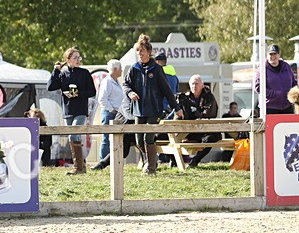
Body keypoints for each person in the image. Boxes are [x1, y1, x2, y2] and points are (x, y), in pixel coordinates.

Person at [122, 34, 182, 175]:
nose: (140, 54)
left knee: (148, 137)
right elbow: (125, 84)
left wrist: (177, 108)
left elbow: (167, 91)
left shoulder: (156, 69)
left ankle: (151, 168)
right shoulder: (134, 68)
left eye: (142, 51)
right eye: (138, 51)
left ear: (149, 52)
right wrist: (130, 92)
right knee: (138, 140)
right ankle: (148, 161)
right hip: (138, 110)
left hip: (154, 110)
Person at [46, 46, 96, 174]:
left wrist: (78, 94)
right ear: (68, 59)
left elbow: (92, 91)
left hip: (80, 110)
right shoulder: (63, 74)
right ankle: (80, 167)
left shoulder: (84, 73)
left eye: (79, 57)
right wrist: (55, 71)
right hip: (68, 110)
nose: (78, 60)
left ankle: (78, 167)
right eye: (75, 57)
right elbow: (50, 87)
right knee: (72, 137)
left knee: (74, 134)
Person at [177, 75, 219, 167]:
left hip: (205, 130)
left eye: (196, 84)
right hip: (188, 130)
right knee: (168, 137)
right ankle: (175, 161)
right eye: (192, 84)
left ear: (202, 85)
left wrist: (195, 112)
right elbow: (180, 115)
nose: (194, 86)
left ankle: (195, 160)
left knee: (210, 139)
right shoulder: (185, 97)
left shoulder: (209, 97)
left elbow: (209, 113)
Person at [92, 59, 127, 170]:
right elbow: (102, 98)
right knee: (106, 138)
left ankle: (109, 161)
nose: (121, 71)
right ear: (115, 69)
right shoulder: (107, 81)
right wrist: (111, 109)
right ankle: (103, 162)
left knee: (113, 138)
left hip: (116, 113)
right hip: (109, 113)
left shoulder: (115, 81)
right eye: (120, 68)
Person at [254, 44, 295, 115]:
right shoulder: (262, 69)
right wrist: (275, 94)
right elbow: (258, 87)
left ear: (279, 55)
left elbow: (294, 82)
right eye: (271, 54)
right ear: (267, 55)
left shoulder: (286, 66)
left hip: (287, 106)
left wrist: (293, 93)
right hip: (270, 107)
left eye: (275, 54)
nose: (273, 56)